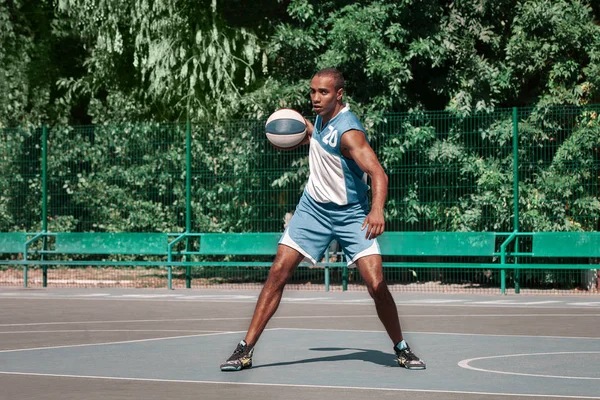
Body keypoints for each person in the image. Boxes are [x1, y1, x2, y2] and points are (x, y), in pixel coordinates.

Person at [220, 68, 426, 371]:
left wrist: (377, 209)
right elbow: (319, 138)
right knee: (278, 271)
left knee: (376, 284)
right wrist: (295, 130)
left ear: (339, 95)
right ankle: (244, 349)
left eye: (323, 93)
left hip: (351, 215)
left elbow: (378, 172)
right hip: (313, 210)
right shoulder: (321, 118)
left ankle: (402, 348)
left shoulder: (349, 132)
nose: (315, 98)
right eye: (313, 91)